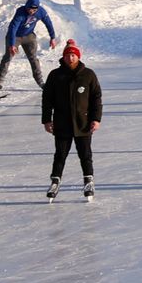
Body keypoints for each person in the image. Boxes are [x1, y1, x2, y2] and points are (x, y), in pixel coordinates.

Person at [41, 39, 103, 201]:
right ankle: (55, 182)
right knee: (60, 154)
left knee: (85, 154)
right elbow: (47, 99)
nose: (70, 58)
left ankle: (88, 181)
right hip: (62, 123)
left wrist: (96, 119)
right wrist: (47, 120)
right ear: (64, 57)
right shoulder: (55, 75)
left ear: (78, 57)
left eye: (73, 55)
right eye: (68, 55)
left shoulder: (88, 74)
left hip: (83, 123)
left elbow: (96, 98)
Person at [0, 0, 57, 90]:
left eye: (34, 10)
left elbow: (48, 23)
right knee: (8, 56)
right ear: (26, 7)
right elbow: (13, 28)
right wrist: (11, 44)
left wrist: (52, 37)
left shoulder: (41, 12)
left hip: (29, 36)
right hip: (15, 37)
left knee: (33, 58)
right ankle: (0, 80)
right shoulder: (20, 12)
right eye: (30, 9)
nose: (32, 11)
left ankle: (40, 81)